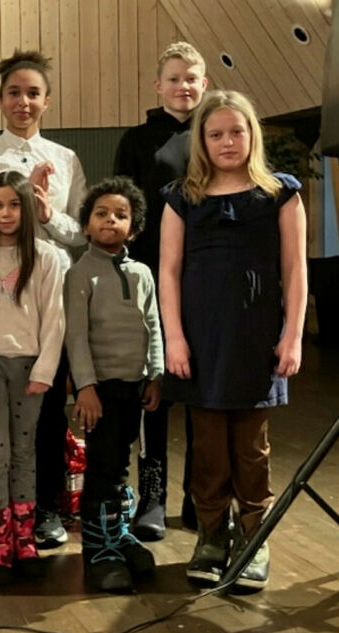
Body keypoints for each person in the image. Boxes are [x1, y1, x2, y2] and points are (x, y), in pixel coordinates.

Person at [159, 90, 307, 592]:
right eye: (216, 133)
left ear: (252, 135)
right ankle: (211, 538)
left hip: (255, 338)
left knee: (250, 446)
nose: (227, 142)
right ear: (201, 139)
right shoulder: (183, 197)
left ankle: (253, 535)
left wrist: (292, 337)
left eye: (236, 132)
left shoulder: (280, 194)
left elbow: (295, 269)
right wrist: (174, 339)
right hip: (201, 340)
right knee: (208, 447)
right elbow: (169, 272)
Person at [0, 49, 87, 547]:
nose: (24, 101)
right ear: (0, 100)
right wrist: (17, 203)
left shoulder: (66, 158)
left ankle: (47, 510)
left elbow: (77, 232)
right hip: (0, 296)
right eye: (14, 92)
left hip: (49, 292)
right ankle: (2, 520)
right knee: (0, 433)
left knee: (50, 408)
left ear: (47, 101)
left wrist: (47, 215)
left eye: (33, 93)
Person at [113, 42, 209, 539]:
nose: (183, 86)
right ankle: (152, 494)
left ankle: (200, 496)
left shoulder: (216, 134)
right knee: (157, 388)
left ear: (204, 84)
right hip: (151, 281)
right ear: (158, 86)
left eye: (191, 78)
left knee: (200, 390)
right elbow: (123, 209)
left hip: (205, 281)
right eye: (174, 78)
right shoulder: (136, 140)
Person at [65, 176, 163, 592]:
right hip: (99, 391)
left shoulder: (142, 272)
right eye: (101, 214)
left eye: (121, 215)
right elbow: (76, 335)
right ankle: (97, 549)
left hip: (134, 386)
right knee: (102, 467)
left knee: (122, 464)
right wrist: (85, 387)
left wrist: (156, 373)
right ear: (86, 224)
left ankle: (118, 535)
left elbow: (154, 325)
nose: (111, 221)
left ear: (134, 226)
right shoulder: (80, 274)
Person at [0, 170, 64, 585]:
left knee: (25, 453)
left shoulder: (46, 257)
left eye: (13, 204)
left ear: (27, 208)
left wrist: (44, 370)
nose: (5, 213)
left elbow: (55, 320)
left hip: (30, 368)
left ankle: (25, 541)